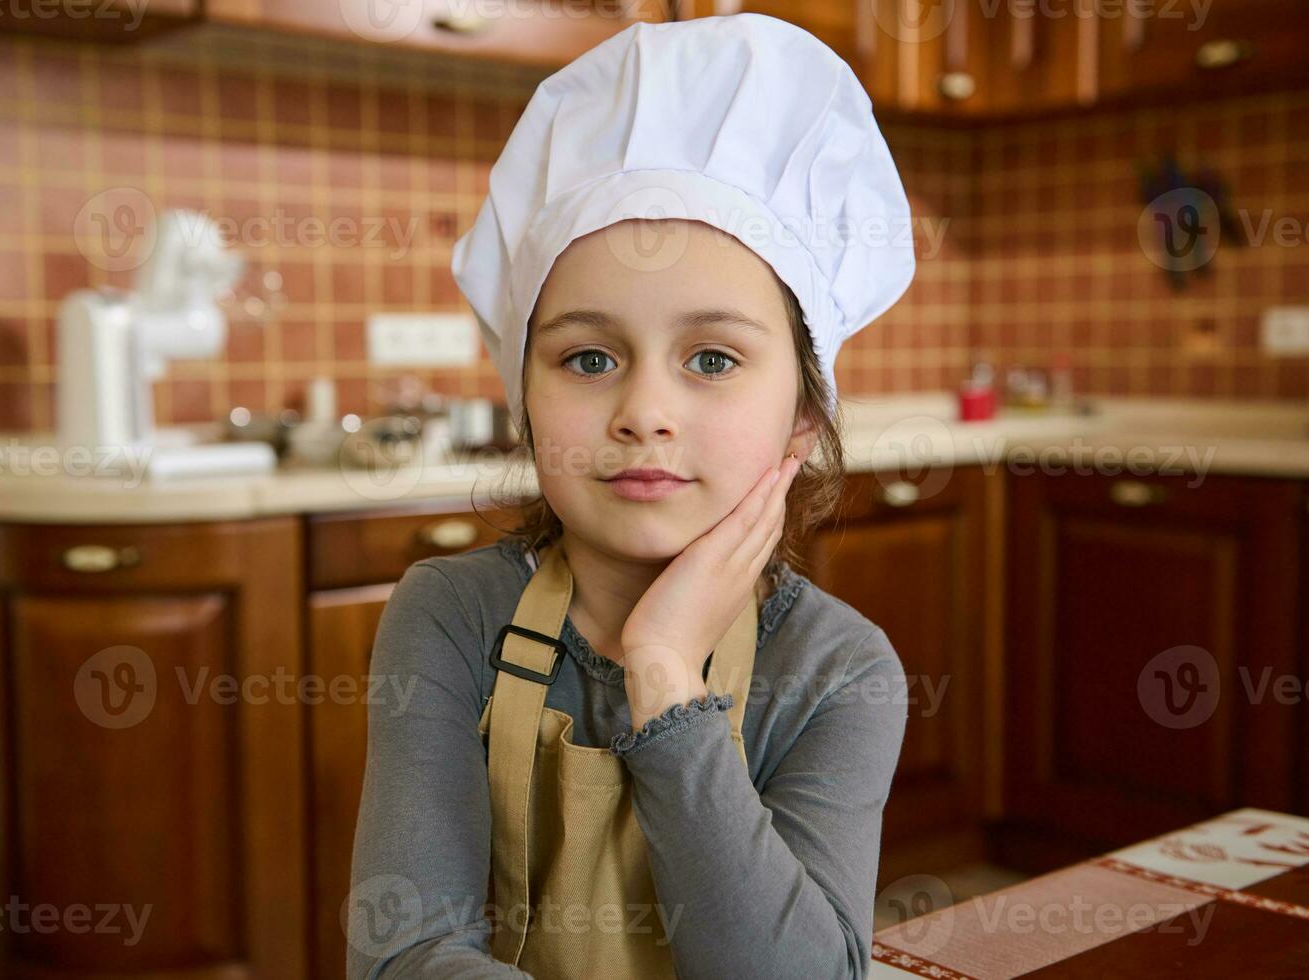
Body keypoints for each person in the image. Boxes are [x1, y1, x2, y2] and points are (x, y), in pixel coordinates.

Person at [347, 12, 916, 979]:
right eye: (589, 357)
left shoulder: (839, 669)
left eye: (711, 358)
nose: (644, 411)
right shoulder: (448, 617)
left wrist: (662, 671)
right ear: (521, 402)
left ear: (802, 421)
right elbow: (403, 957)